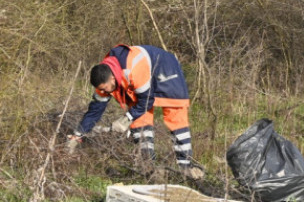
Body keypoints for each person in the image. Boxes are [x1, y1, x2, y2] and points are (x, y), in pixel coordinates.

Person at [67, 44, 204, 179]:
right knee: (139, 122)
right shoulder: (103, 78)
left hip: (165, 70)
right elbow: (94, 111)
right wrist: (78, 134)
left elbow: (147, 100)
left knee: (175, 116)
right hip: (138, 81)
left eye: (105, 89)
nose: (103, 92)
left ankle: (186, 167)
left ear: (112, 79)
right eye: (101, 89)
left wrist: (126, 118)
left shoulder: (134, 68)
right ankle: (149, 167)